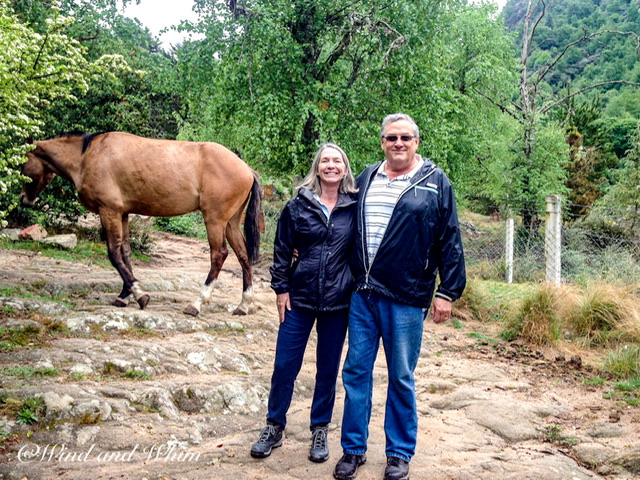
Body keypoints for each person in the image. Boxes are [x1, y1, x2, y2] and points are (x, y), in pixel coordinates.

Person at [332, 113, 466, 480]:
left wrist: (448, 291)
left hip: (407, 296)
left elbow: (449, 239)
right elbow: (341, 221)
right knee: (356, 372)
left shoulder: (435, 183)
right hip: (363, 294)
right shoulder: (366, 177)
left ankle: (399, 453)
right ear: (382, 143)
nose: (398, 144)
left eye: (405, 138)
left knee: (401, 376)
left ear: (417, 141)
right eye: (391, 138)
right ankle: (353, 449)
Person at [250, 143, 358, 464]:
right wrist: (281, 290)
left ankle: (319, 429)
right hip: (298, 299)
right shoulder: (297, 206)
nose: (331, 165)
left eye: (337, 160)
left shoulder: (354, 206)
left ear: (344, 167)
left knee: (327, 369)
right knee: (285, 364)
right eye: (325, 160)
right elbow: (282, 250)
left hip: (338, 303)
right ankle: (274, 425)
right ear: (317, 167)